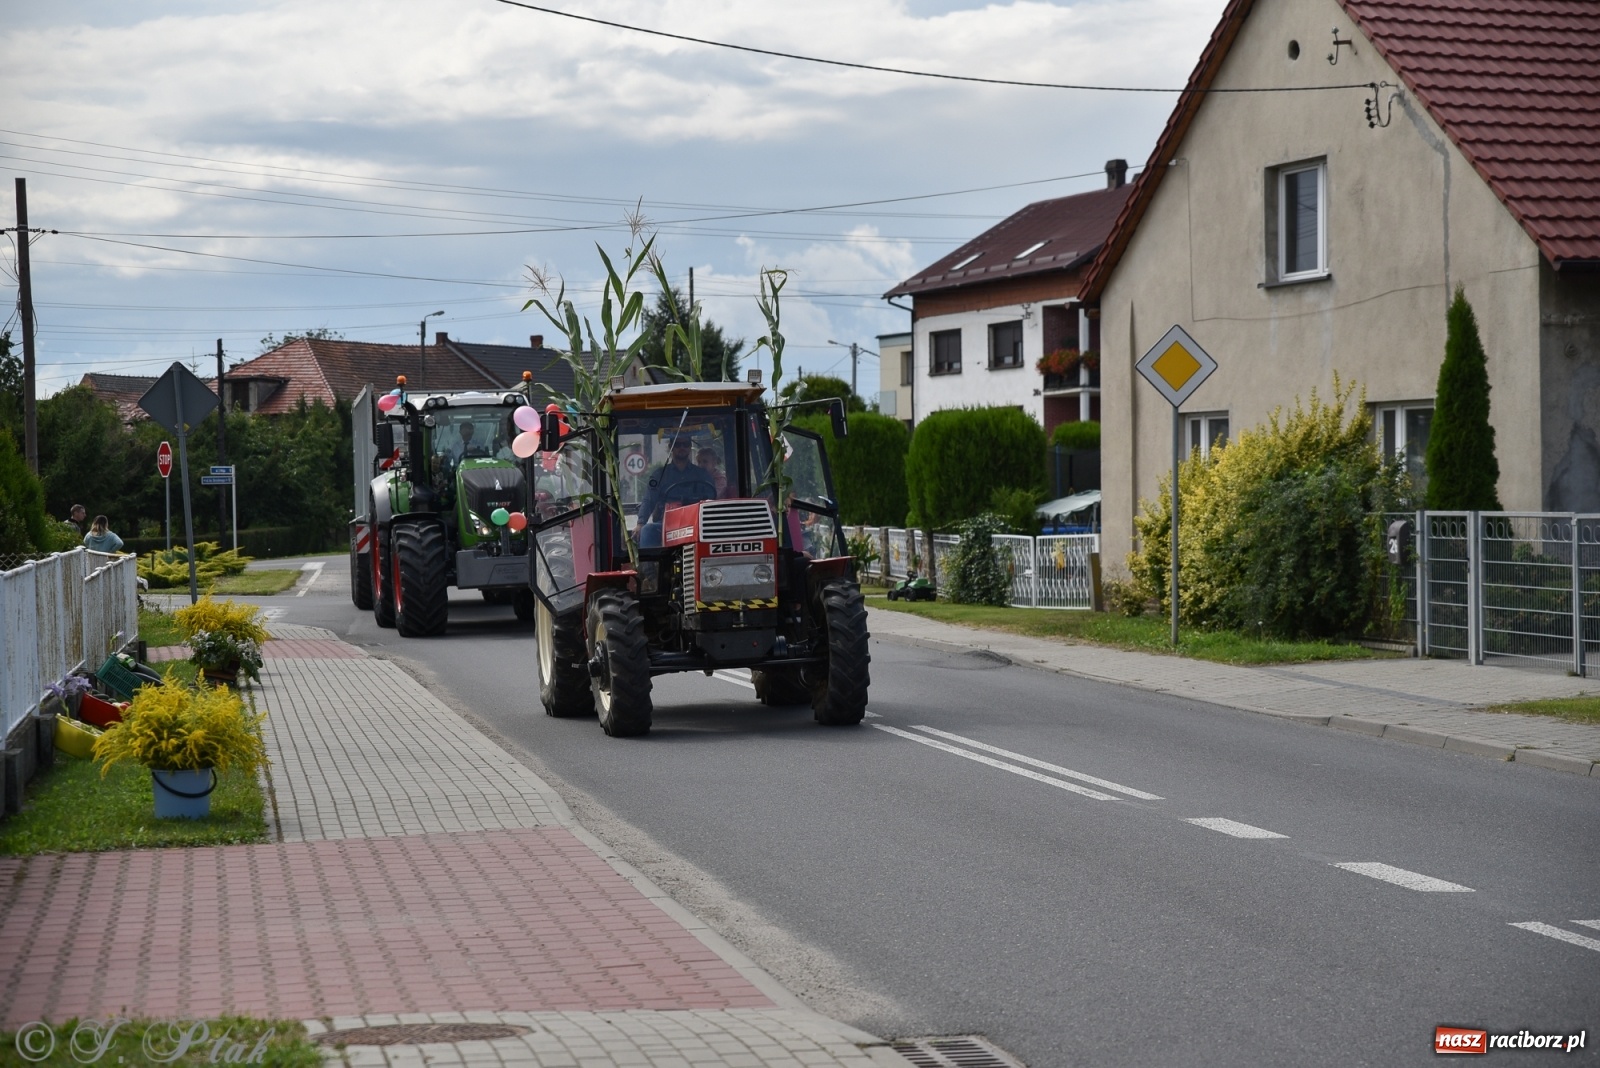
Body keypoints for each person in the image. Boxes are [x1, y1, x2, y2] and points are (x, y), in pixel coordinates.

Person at [636, 434, 718, 545]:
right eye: (678, 444)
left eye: (686, 444)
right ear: (671, 447)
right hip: (667, 525)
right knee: (647, 531)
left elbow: (711, 500)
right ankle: (648, 562)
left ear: (690, 447)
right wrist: (641, 523)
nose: (682, 447)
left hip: (698, 524)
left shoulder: (703, 475)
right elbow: (648, 499)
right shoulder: (659, 475)